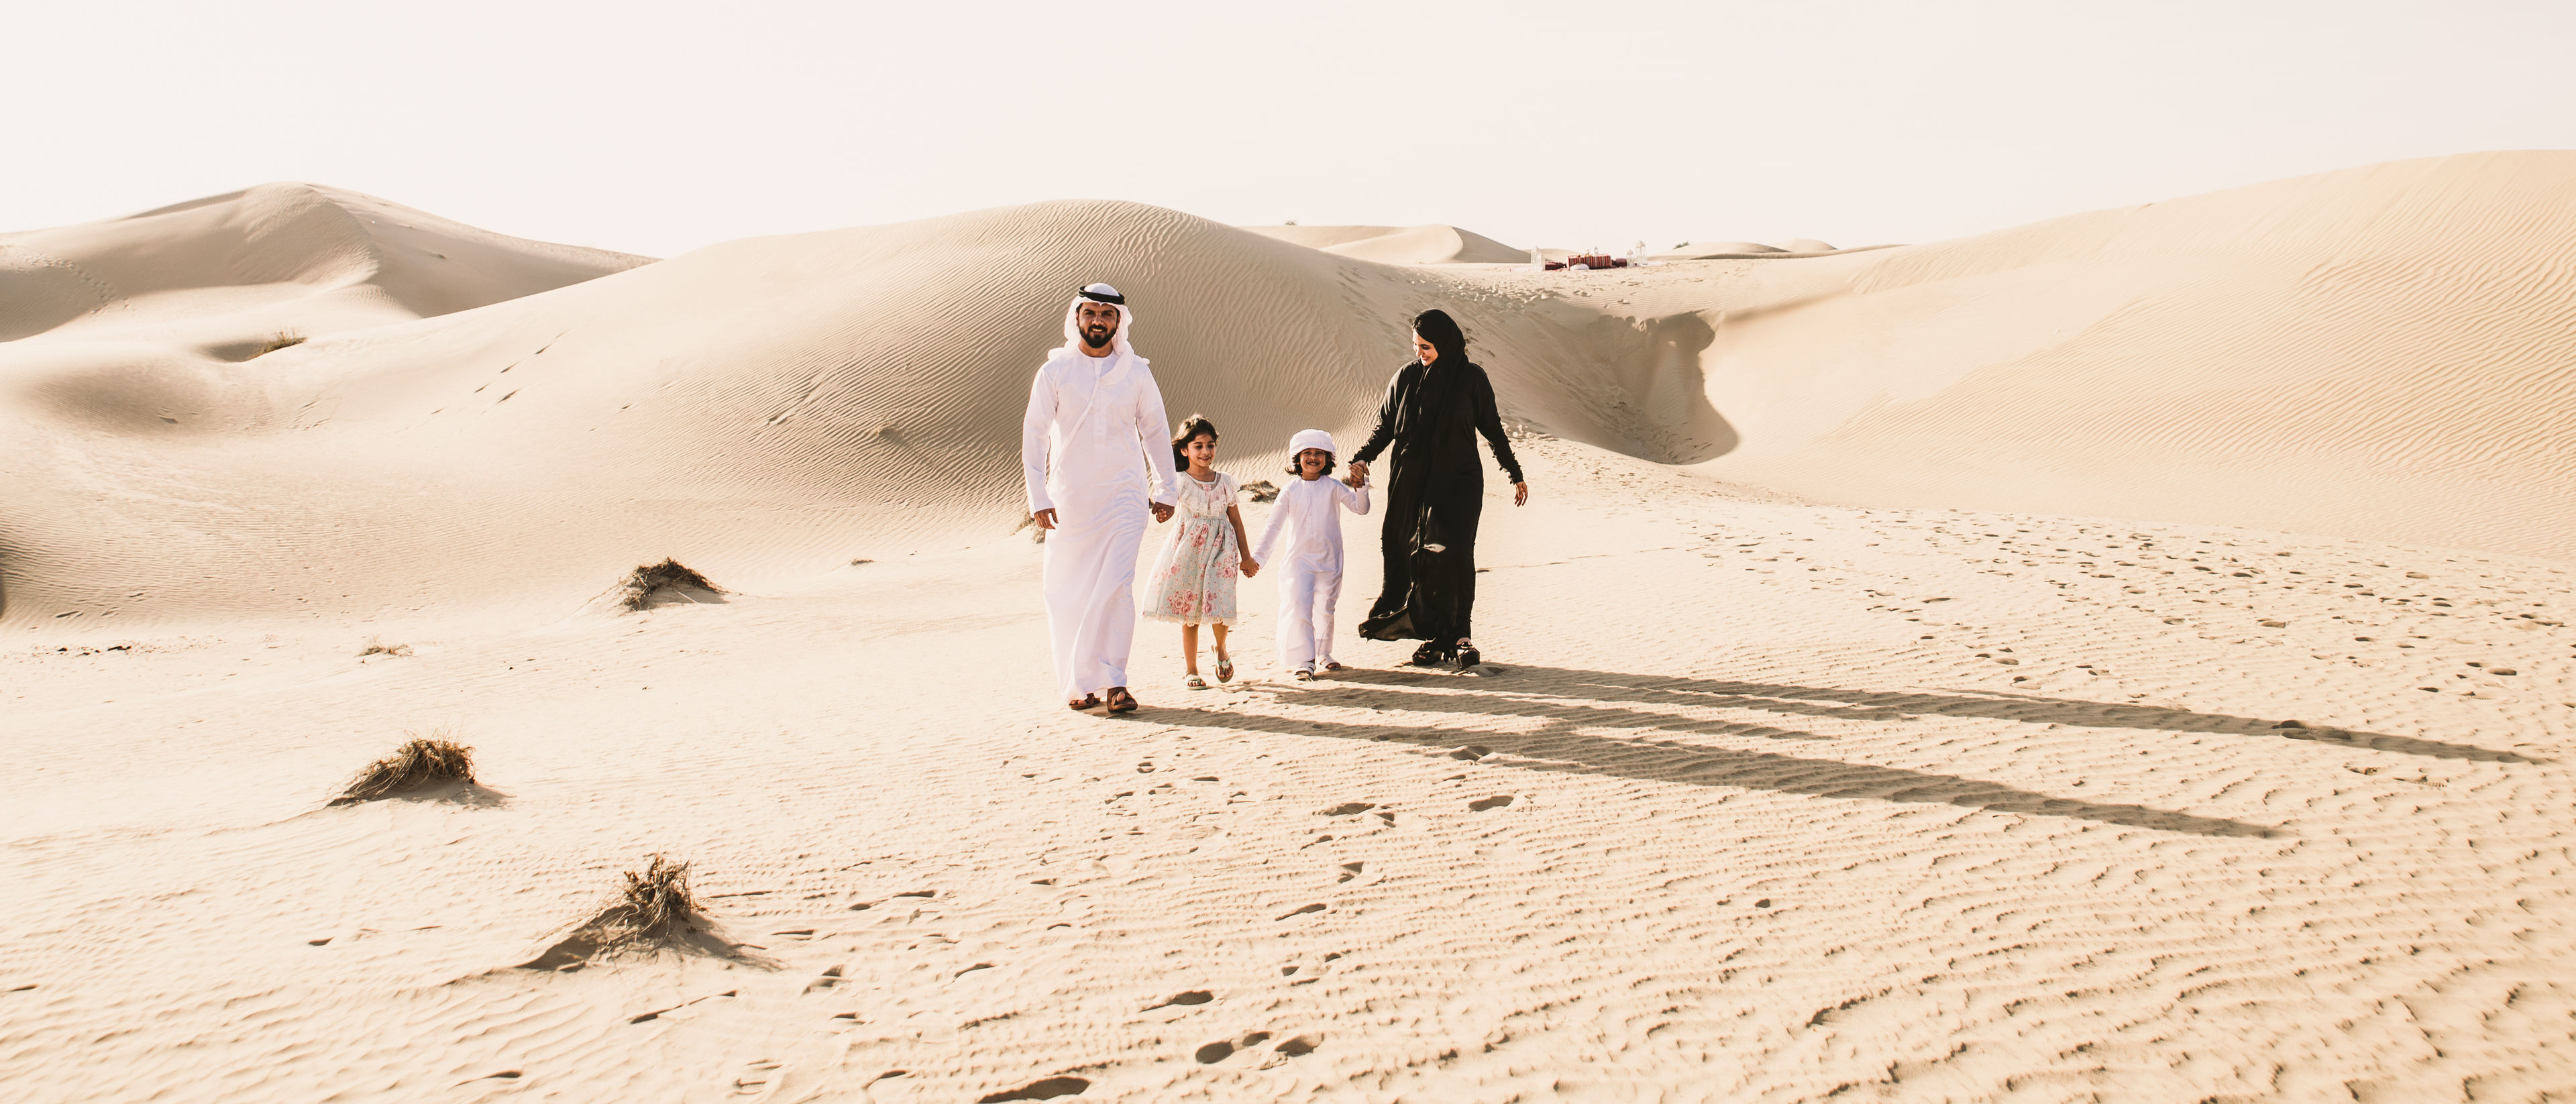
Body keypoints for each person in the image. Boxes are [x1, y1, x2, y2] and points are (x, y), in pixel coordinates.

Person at [1021, 283, 1178, 713]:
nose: (1097, 321)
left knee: (1117, 585)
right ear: (1077, 318)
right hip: (1071, 499)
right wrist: (1038, 494)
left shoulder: (1137, 373)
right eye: (1090, 313)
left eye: (1107, 315)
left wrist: (1166, 488)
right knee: (1068, 591)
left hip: (1125, 497)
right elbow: (1034, 435)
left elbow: (1157, 431)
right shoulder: (1054, 372)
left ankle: (1116, 682)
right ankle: (1080, 684)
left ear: (1119, 323)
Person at [1346, 309, 1528, 669]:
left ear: (1445, 342)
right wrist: (1362, 457)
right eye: (1415, 346)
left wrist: (1514, 472)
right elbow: (1385, 427)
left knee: (1457, 554)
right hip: (1414, 486)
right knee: (1420, 556)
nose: (1420, 353)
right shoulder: (1405, 378)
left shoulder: (1472, 379)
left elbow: (1492, 429)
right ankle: (1435, 635)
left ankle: (1461, 635)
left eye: (1426, 346)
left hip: (1459, 483)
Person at [1142, 415, 1259, 690]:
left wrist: (1246, 557)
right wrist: (1160, 512)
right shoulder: (1179, 481)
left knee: (1221, 605)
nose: (1206, 452)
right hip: (1189, 551)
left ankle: (1220, 649)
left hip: (1223, 548)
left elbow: (1237, 520)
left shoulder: (1227, 482)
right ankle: (1191, 670)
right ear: (1185, 450)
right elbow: (1166, 509)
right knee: (1191, 612)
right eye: (1198, 446)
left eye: (1210, 445)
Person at [1252, 429, 1371, 681]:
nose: (1314, 458)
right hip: (1299, 562)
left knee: (1326, 608)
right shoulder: (1290, 490)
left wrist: (1361, 488)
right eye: (1308, 453)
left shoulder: (1334, 487)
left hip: (1330, 560)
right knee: (1300, 607)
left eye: (1319, 453)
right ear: (1298, 458)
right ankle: (1305, 661)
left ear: (1328, 458)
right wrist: (1258, 559)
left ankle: (1324, 653)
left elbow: (1361, 509)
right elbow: (1273, 527)